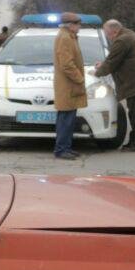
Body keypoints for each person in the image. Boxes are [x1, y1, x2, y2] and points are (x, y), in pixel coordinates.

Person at [95, 19, 135, 151]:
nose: (107, 37)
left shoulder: (122, 41)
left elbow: (112, 62)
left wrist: (97, 73)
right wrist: (104, 65)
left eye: (108, 34)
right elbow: (115, 59)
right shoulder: (128, 35)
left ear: (115, 31)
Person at [53, 12, 86, 160]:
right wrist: (79, 78)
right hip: (68, 85)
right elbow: (66, 64)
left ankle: (66, 146)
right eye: (78, 24)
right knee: (66, 119)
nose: (79, 27)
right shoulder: (65, 38)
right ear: (70, 25)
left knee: (69, 118)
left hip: (69, 85)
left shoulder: (69, 36)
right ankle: (61, 149)